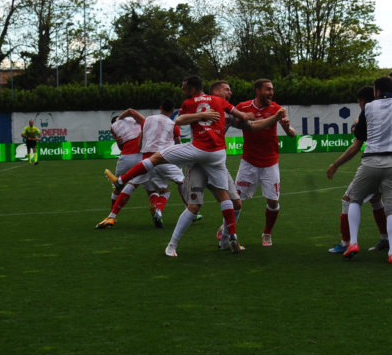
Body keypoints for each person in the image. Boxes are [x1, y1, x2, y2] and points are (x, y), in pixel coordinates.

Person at [104, 75, 282, 256]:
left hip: (205, 155)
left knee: (236, 202)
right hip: (205, 160)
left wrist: (273, 118)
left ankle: (225, 240)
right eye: (226, 89)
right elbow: (244, 118)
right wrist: (206, 115)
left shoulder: (222, 108)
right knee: (197, 205)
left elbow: (252, 125)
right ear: (215, 91)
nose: (230, 92)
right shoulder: (210, 103)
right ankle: (177, 244)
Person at [326, 86, 392, 255]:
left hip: (375, 163)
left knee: (348, 200)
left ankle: (347, 242)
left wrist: (335, 164)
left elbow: (356, 145)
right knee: (386, 203)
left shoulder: (370, 112)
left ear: (363, 101)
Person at [342, 77, 392, 264]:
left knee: (354, 200)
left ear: (377, 91)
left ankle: (353, 243)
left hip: (370, 160)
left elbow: (359, 134)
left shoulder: (369, 107)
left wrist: (357, 125)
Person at [96, 101, 187, 229]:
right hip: (161, 158)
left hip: (142, 159)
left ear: (160, 107)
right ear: (173, 111)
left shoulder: (146, 121)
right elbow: (178, 144)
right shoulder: (172, 125)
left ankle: (112, 215)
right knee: (171, 186)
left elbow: (130, 144)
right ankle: (187, 210)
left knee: (130, 185)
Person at [234, 79, 296, 247]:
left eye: (272, 89)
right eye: (268, 89)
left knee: (273, 202)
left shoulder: (276, 108)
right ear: (257, 90)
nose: (271, 93)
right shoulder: (243, 107)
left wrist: (287, 128)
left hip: (270, 163)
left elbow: (292, 134)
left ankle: (267, 233)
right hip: (249, 162)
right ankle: (227, 229)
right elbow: (241, 125)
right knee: (235, 200)